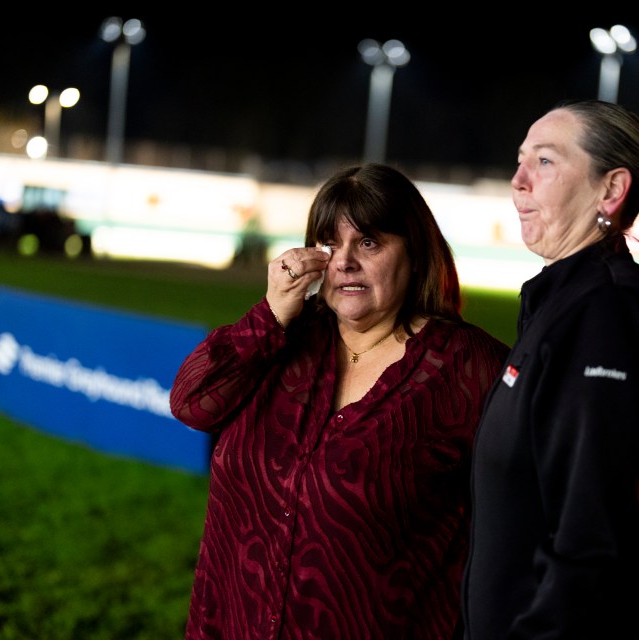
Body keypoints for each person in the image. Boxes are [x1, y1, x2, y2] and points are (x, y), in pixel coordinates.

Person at [169, 162, 509, 639]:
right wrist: (269, 316)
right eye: (329, 243)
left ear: (415, 254)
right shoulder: (283, 336)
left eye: (368, 242)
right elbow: (192, 403)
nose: (344, 261)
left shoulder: (471, 369)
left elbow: (523, 523)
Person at [461, 100, 639, 639]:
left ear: (610, 189)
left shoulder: (610, 317)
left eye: (546, 162)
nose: (518, 181)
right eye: (520, 160)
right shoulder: (562, 305)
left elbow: (591, 540)